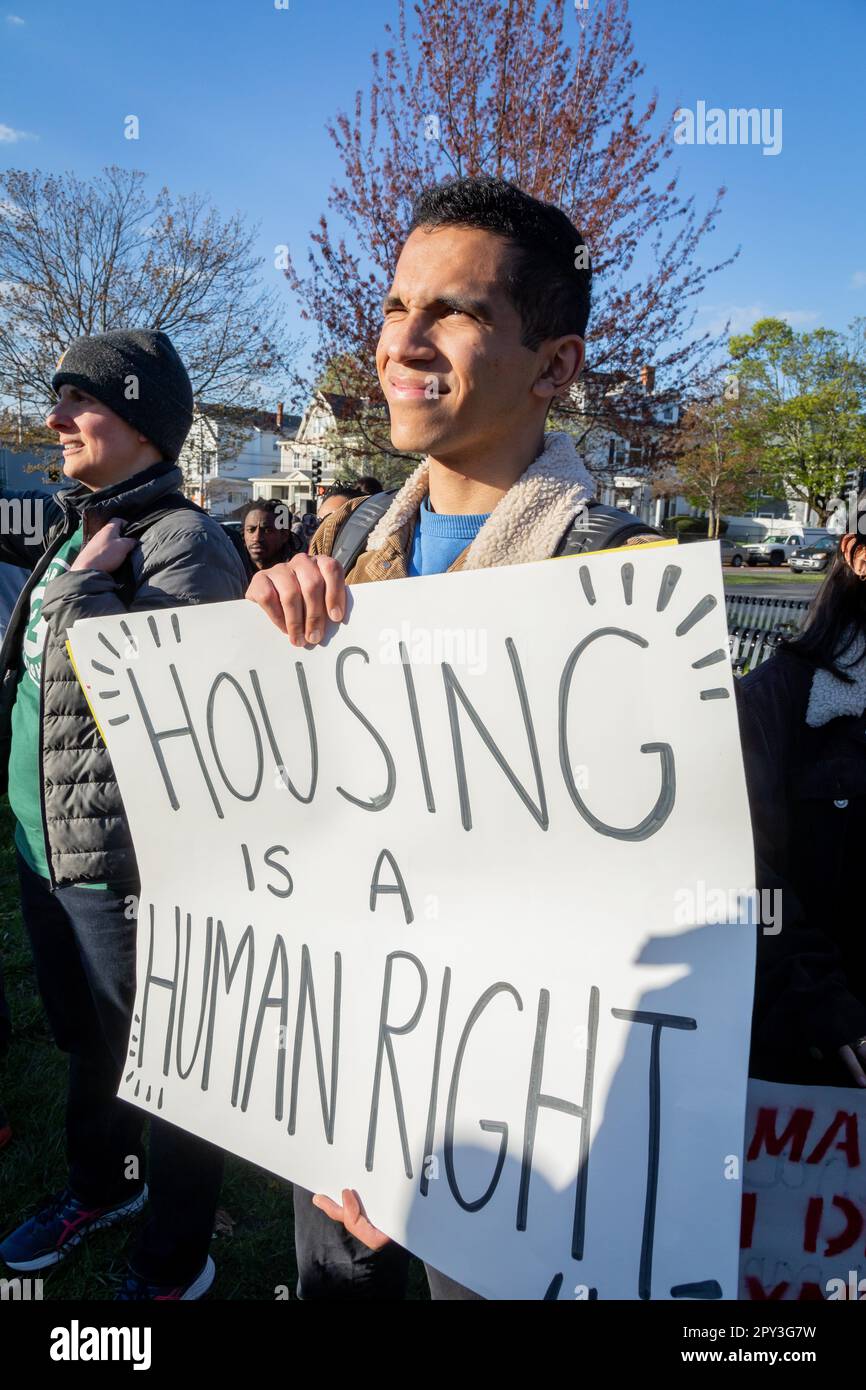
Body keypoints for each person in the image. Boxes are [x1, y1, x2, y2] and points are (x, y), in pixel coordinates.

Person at [246, 175, 661, 1298]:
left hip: (506, 1135)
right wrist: (262, 654)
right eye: (394, 306)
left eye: (455, 312)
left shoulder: (620, 586)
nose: (403, 341)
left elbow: (640, 906)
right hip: (336, 1074)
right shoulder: (338, 542)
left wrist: (429, 1139)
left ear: (554, 365)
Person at [0, 329, 247, 1299]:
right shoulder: (81, 524)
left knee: (167, 1066)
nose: (54, 418)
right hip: (44, 850)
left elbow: (169, 719)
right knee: (89, 1046)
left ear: (140, 420)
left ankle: (173, 1259)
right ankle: (103, 1187)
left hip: (122, 869)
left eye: (78, 401)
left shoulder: (186, 543)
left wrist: (81, 590)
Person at [738, 495, 866, 1089]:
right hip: (819, 1072)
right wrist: (826, 1011)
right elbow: (746, 878)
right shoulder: (773, 702)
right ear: (857, 555)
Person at [241, 499, 300, 573]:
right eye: (250, 530)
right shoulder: (232, 568)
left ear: (284, 534)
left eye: (267, 530)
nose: (256, 538)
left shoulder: (300, 570)